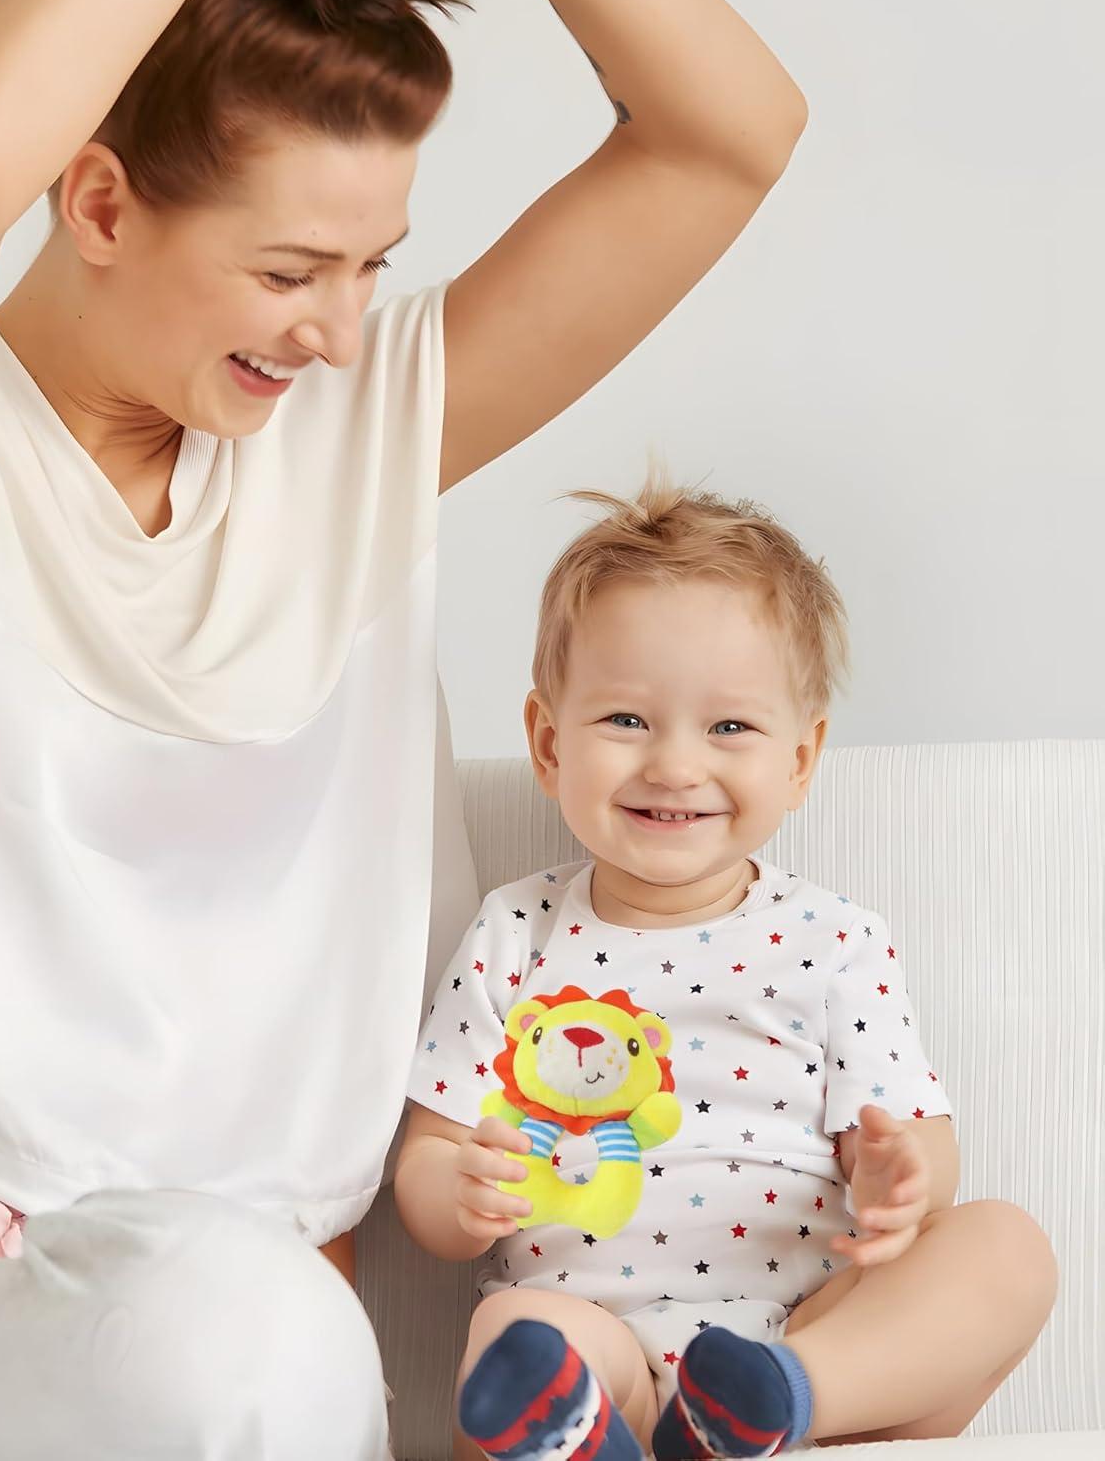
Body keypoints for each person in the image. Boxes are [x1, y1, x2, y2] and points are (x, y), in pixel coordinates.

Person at [0, 0, 811, 1457]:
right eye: (292, 270)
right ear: (99, 205)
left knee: (233, 1346)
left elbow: (728, 134)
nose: (340, 331)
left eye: (374, 268)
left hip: (189, 1321)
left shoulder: (363, 435)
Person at [394, 475, 1059, 1460]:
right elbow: (431, 1152)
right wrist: (457, 1193)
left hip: (812, 1330)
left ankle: (769, 1404)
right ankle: (581, 1426)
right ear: (547, 742)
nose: (673, 764)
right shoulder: (515, 932)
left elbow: (923, 1146)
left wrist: (900, 1180)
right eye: (625, 720)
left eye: (730, 727)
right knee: (510, 1340)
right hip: (592, 1338)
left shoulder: (835, 940)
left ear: (801, 759)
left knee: (1008, 1249)